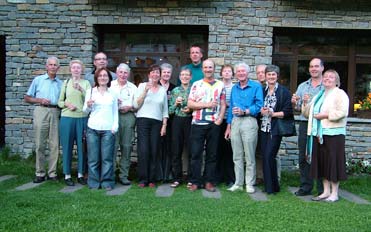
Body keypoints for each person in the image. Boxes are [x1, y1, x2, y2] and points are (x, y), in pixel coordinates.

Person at [302, 70, 349, 202]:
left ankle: (334, 193)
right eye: (326, 76)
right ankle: (325, 191)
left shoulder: (340, 94)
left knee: (333, 163)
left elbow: (343, 112)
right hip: (319, 134)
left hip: (334, 134)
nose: (327, 78)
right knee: (323, 163)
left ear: (336, 81)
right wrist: (305, 103)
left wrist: (326, 115)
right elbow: (308, 114)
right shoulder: (319, 95)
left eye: (331, 77)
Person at [187, 59, 226, 192]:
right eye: (205, 67)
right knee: (196, 153)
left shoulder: (220, 85)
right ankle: (195, 181)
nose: (208, 69)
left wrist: (220, 119)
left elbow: (223, 103)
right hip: (198, 123)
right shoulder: (196, 85)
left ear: (214, 69)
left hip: (214, 124)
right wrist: (206, 105)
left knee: (212, 154)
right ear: (202, 69)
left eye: (210, 67)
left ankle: (209, 181)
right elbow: (190, 104)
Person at [225, 62, 263, 193]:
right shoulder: (235, 88)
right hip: (235, 122)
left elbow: (259, 106)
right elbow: (231, 109)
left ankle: (250, 184)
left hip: (249, 121)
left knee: (249, 155)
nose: (241, 73)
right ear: (236, 74)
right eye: (238, 71)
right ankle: (238, 183)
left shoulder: (256, 86)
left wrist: (245, 111)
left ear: (247, 73)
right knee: (237, 155)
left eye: (243, 71)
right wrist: (228, 126)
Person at [24, 56, 63, 183]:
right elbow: (27, 98)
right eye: (50, 64)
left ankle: (52, 173)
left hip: (55, 111)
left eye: (55, 65)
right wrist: (39, 100)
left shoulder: (61, 83)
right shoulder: (38, 80)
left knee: (54, 144)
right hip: (41, 110)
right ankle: (40, 173)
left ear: (58, 67)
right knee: (40, 144)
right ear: (46, 66)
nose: (53, 67)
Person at [291, 58, 324, 196]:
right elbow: (297, 108)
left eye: (316, 66)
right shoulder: (302, 86)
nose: (313, 69)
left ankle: (323, 189)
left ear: (322, 68)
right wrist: (295, 103)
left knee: (321, 156)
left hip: (322, 125)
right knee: (303, 156)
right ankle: (306, 187)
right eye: (311, 66)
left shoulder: (327, 85)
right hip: (305, 124)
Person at [259, 65, 293, 194]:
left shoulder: (284, 92)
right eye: (269, 74)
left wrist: (273, 114)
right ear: (266, 76)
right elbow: (257, 106)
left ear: (277, 76)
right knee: (265, 157)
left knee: (269, 156)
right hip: (263, 128)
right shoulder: (262, 91)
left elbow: (288, 112)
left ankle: (270, 188)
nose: (271, 77)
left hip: (276, 129)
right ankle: (273, 186)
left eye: (274, 74)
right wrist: (261, 111)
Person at [83, 67, 118, 191]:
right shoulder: (91, 92)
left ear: (108, 78)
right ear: (96, 78)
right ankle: (93, 183)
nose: (103, 78)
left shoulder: (113, 92)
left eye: (105, 76)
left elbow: (115, 112)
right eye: (100, 76)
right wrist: (87, 105)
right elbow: (85, 111)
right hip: (93, 128)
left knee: (107, 159)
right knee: (93, 159)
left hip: (108, 129)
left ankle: (107, 182)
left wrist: (115, 127)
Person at [134, 64, 169, 188]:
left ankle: (152, 179)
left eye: (157, 72)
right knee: (143, 150)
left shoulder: (162, 90)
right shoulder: (142, 86)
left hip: (157, 122)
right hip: (143, 120)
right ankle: (143, 179)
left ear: (159, 75)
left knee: (154, 150)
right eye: (152, 72)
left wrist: (164, 125)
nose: (155, 74)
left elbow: (165, 109)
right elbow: (136, 104)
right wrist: (145, 91)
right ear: (149, 74)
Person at [58, 60, 91, 186]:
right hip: (67, 118)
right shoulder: (66, 83)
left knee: (82, 148)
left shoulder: (86, 83)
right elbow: (59, 102)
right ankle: (67, 174)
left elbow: (89, 100)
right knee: (67, 146)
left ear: (82, 70)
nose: (76, 70)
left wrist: (81, 90)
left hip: (82, 118)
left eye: (78, 68)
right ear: (70, 69)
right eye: (74, 68)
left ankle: (80, 174)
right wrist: (66, 103)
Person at [110, 63, 137, 186]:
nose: (123, 75)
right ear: (116, 72)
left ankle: (123, 175)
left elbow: (137, 105)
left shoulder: (133, 87)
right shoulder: (110, 86)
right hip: (112, 117)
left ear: (129, 73)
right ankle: (110, 174)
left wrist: (130, 107)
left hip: (128, 117)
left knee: (126, 147)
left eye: (125, 72)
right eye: (121, 72)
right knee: (112, 147)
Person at [168, 67, 193, 188]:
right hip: (177, 121)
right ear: (179, 77)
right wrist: (176, 104)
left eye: (187, 75)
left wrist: (191, 109)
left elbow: (198, 106)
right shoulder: (175, 91)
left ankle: (190, 178)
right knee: (176, 150)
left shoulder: (194, 89)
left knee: (191, 150)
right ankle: (176, 178)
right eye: (182, 75)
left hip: (190, 120)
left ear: (191, 77)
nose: (184, 77)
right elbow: (170, 111)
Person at [216, 64, 235, 188]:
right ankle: (217, 177)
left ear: (232, 74)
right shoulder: (217, 85)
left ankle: (229, 178)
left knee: (229, 151)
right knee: (217, 149)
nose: (227, 73)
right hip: (218, 120)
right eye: (225, 71)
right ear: (221, 73)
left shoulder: (235, 87)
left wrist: (228, 105)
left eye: (229, 71)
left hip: (231, 121)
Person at [157, 63, 176, 182]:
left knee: (169, 148)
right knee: (157, 147)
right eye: (164, 72)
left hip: (171, 122)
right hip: (157, 120)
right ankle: (158, 173)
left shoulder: (173, 88)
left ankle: (167, 173)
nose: (166, 74)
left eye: (168, 72)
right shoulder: (156, 86)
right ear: (160, 73)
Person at [255, 64, 267, 184]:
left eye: (262, 72)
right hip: (257, 121)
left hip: (271, 122)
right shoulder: (255, 87)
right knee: (258, 150)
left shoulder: (273, 88)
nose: (260, 74)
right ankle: (259, 176)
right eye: (258, 73)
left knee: (272, 151)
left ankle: (275, 177)